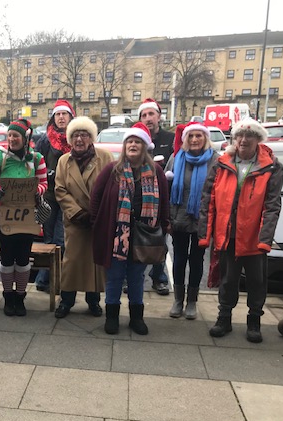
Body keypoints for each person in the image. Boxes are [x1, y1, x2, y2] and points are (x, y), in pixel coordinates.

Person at [198, 118, 283, 343]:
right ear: (234, 139)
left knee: (256, 281)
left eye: (250, 136)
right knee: (228, 280)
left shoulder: (272, 166)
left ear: (258, 140)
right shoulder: (221, 163)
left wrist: (265, 238)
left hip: (255, 237)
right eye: (240, 136)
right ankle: (223, 318)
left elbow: (272, 205)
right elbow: (208, 200)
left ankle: (254, 321)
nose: (244, 140)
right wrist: (205, 234)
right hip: (227, 235)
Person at [90, 122, 170, 335]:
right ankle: (112, 317)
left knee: (137, 277)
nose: (133, 145)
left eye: (138, 142)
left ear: (145, 147)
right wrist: (98, 221)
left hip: (144, 235)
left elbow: (164, 202)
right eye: (130, 142)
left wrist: (164, 226)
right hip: (116, 234)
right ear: (125, 146)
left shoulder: (157, 172)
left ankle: (137, 318)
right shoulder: (112, 170)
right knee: (115, 276)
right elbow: (95, 198)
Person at [0, 118, 48, 316]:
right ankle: (7, 296)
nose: (12, 139)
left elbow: (44, 183)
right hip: (3, 216)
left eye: (16, 136)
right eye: (10, 135)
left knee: (22, 260)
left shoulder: (37, 158)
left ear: (25, 137)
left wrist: (35, 191)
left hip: (27, 217)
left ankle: (20, 297)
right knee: (6, 259)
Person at [53, 116, 111, 319]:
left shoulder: (105, 157)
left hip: (97, 221)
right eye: (75, 135)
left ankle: (93, 301)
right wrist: (77, 213)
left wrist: (98, 213)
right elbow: (60, 190)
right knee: (72, 262)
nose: (79, 139)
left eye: (84, 135)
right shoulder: (63, 161)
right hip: (75, 221)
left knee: (95, 263)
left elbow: (112, 187)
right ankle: (66, 300)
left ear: (91, 137)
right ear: (70, 139)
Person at [165, 122, 219, 320]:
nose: (195, 139)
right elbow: (168, 189)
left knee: (197, 261)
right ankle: (178, 300)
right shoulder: (175, 158)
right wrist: (168, 218)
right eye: (191, 136)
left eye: (199, 136)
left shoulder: (215, 160)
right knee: (178, 259)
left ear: (205, 138)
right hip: (178, 217)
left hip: (202, 220)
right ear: (185, 139)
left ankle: (192, 301)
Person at [34, 99, 74, 293]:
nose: (60, 117)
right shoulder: (45, 140)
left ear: (70, 117)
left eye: (64, 114)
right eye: (57, 114)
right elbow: (35, 162)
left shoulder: (76, 138)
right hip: (49, 197)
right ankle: (46, 280)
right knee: (49, 239)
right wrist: (47, 173)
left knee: (60, 240)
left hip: (68, 197)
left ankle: (52, 280)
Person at [138, 98, 175, 296]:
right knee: (138, 240)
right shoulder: (137, 139)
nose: (148, 118)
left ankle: (159, 278)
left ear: (159, 116)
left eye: (151, 114)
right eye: (144, 115)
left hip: (163, 197)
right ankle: (135, 278)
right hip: (140, 199)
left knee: (160, 239)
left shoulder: (169, 140)